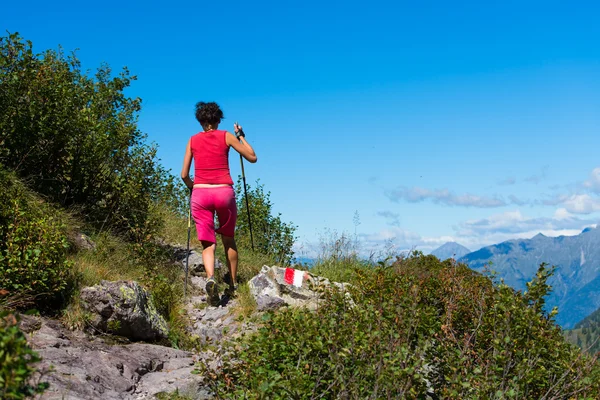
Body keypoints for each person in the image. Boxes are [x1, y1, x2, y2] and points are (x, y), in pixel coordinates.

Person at [181, 102, 257, 306]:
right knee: (228, 240)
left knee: (208, 243)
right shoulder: (226, 136)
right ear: (218, 119)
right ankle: (232, 285)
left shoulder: (192, 140)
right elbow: (252, 157)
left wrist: (193, 187)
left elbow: (184, 175)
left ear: (200, 121)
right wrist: (241, 136)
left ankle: (211, 278)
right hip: (224, 191)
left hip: (201, 193)